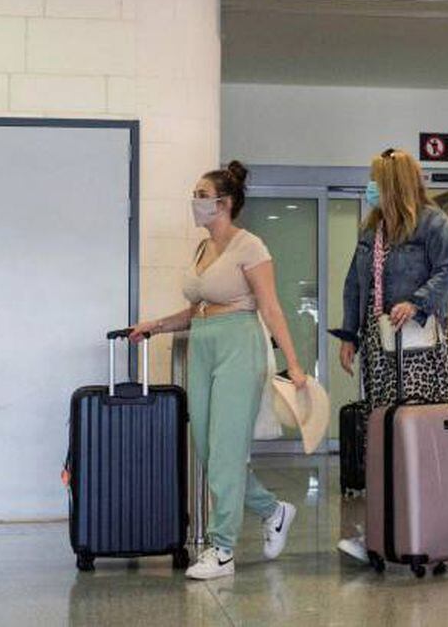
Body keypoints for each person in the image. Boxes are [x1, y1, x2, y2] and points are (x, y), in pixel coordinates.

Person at [129, 161, 309, 581]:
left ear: (224, 203)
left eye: (201, 195)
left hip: (238, 345)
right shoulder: (201, 249)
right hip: (204, 343)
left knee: (226, 451)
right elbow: (197, 310)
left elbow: (270, 307)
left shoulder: (251, 247)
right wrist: (154, 326)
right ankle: (273, 510)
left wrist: (295, 364)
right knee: (211, 455)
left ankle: (222, 549)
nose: (195, 202)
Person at [333, 148, 448, 562]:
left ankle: (433, 527)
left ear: (393, 183)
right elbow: (355, 284)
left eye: (376, 179)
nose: (370, 187)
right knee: (381, 434)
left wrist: (419, 302)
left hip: (419, 346)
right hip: (380, 344)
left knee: (421, 436)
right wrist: (349, 334)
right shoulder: (372, 230)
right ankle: (382, 531)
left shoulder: (433, 223)